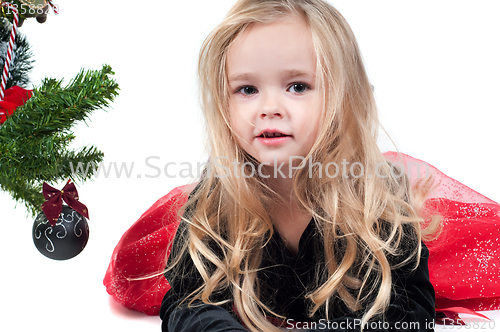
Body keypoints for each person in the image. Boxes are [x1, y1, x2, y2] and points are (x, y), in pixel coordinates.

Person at [158, 0, 436, 331]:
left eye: (297, 87)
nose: (269, 108)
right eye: (247, 89)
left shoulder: (376, 200)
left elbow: (408, 312)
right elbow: (187, 300)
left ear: (342, 97)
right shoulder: (217, 199)